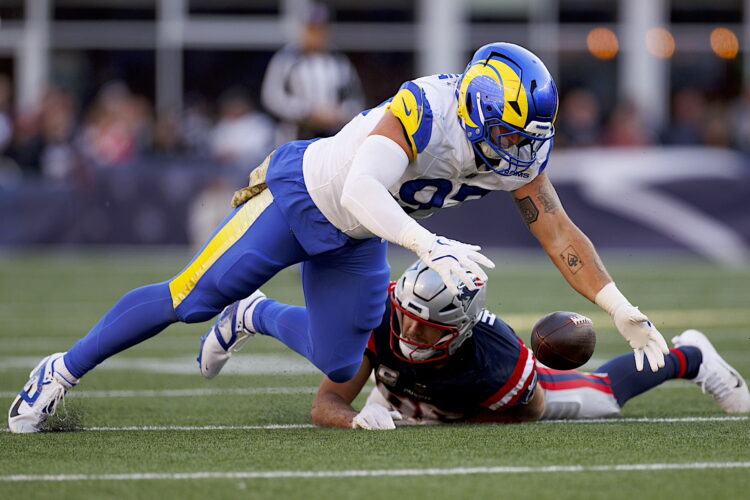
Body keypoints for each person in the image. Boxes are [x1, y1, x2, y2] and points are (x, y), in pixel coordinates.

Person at [9, 42, 669, 433]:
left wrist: (621, 309)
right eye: (509, 133)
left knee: (338, 362)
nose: (518, 150)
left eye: (528, 138)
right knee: (190, 298)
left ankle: (255, 317)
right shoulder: (425, 109)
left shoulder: (515, 151)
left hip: (358, 237)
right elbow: (358, 189)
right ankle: (58, 372)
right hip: (304, 198)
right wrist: (427, 244)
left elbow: (558, 230)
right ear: (475, 110)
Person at [312, 262, 750, 429]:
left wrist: (453, 419)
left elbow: (532, 410)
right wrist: (355, 420)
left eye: (427, 327)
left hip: (481, 399)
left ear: (460, 328)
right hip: (409, 392)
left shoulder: (495, 358)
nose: (410, 333)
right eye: (407, 317)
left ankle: (692, 357)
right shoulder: (379, 314)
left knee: (602, 396)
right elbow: (327, 402)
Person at [260, 3, 364, 141]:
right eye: (311, 30)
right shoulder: (287, 58)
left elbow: (355, 99)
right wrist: (307, 111)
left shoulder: (339, 61)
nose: (316, 35)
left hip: (333, 134)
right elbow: (272, 96)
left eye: (320, 30)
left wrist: (339, 113)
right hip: (296, 133)